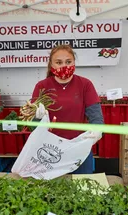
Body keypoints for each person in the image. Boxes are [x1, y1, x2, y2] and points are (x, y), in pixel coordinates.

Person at [31, 44, 104, 174]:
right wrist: (37, 118)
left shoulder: (85, 84)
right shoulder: (42, 86)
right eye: (58, 62)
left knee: (83, 187)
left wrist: (98, 130)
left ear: (74, 62)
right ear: (51, 65)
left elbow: (95, 115)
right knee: (52, 189)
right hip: (50, 149)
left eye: (68, 62)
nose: (64, 66)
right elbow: (33, 126)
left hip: (79, 146)